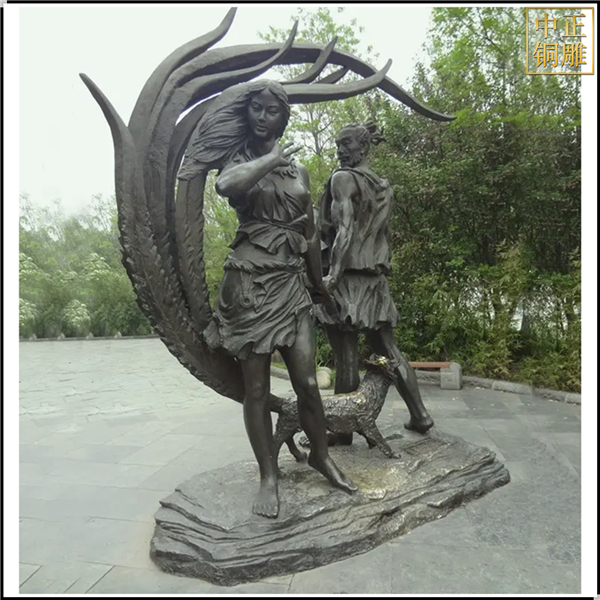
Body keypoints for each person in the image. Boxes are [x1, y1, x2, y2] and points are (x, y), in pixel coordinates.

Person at [179, 80, 356, 519]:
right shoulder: (239, 159)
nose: (262, 116)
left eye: (271, 110)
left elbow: (309, 232)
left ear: (283, 118)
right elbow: (226, 185)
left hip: (291, 285)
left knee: (308, 383)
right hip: (250, 285)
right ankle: (268, 475)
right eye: (256, 108)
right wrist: (270, 160)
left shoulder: (300, 172)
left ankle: (320, 456)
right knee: (256, 388)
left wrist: (320, 286)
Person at [314, 123, 434, 446]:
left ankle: (342, 431)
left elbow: (344, 230)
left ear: (363, 147)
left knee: (346, 355)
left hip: (348, 277)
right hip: (375, 280)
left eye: (346, 144)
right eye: (337, 145)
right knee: (389, 350)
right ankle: (420, 415)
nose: (339, 151)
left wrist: (332, 276)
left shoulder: (343, 179)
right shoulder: (382, 186)